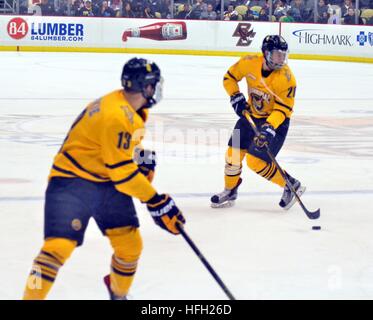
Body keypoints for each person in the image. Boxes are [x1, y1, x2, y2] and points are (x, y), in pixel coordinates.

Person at [23, 58, 186, 300]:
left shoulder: (133, 109)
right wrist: (155, 201)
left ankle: (118, 294)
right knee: (56, 248)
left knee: (130, 246)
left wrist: (139, 161)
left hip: (105, 181)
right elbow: (121, 173)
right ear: (145, 87)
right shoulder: (116, 115)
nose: (157, 89)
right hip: (71, 182)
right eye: (154, 84)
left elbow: (117, 153)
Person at [211, 35, 305, 210]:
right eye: (277, 55)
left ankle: (291, 185)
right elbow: (229, 78)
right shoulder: (249, 62)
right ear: (266, 53)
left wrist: (269, 127)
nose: (281, 59)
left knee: (256, 162)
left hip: (277, 123)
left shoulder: (287, 78)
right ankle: (230, 190)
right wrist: (235, 95)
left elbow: (283, 109)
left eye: (283, 55)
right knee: (232, 155)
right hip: (250, 115)